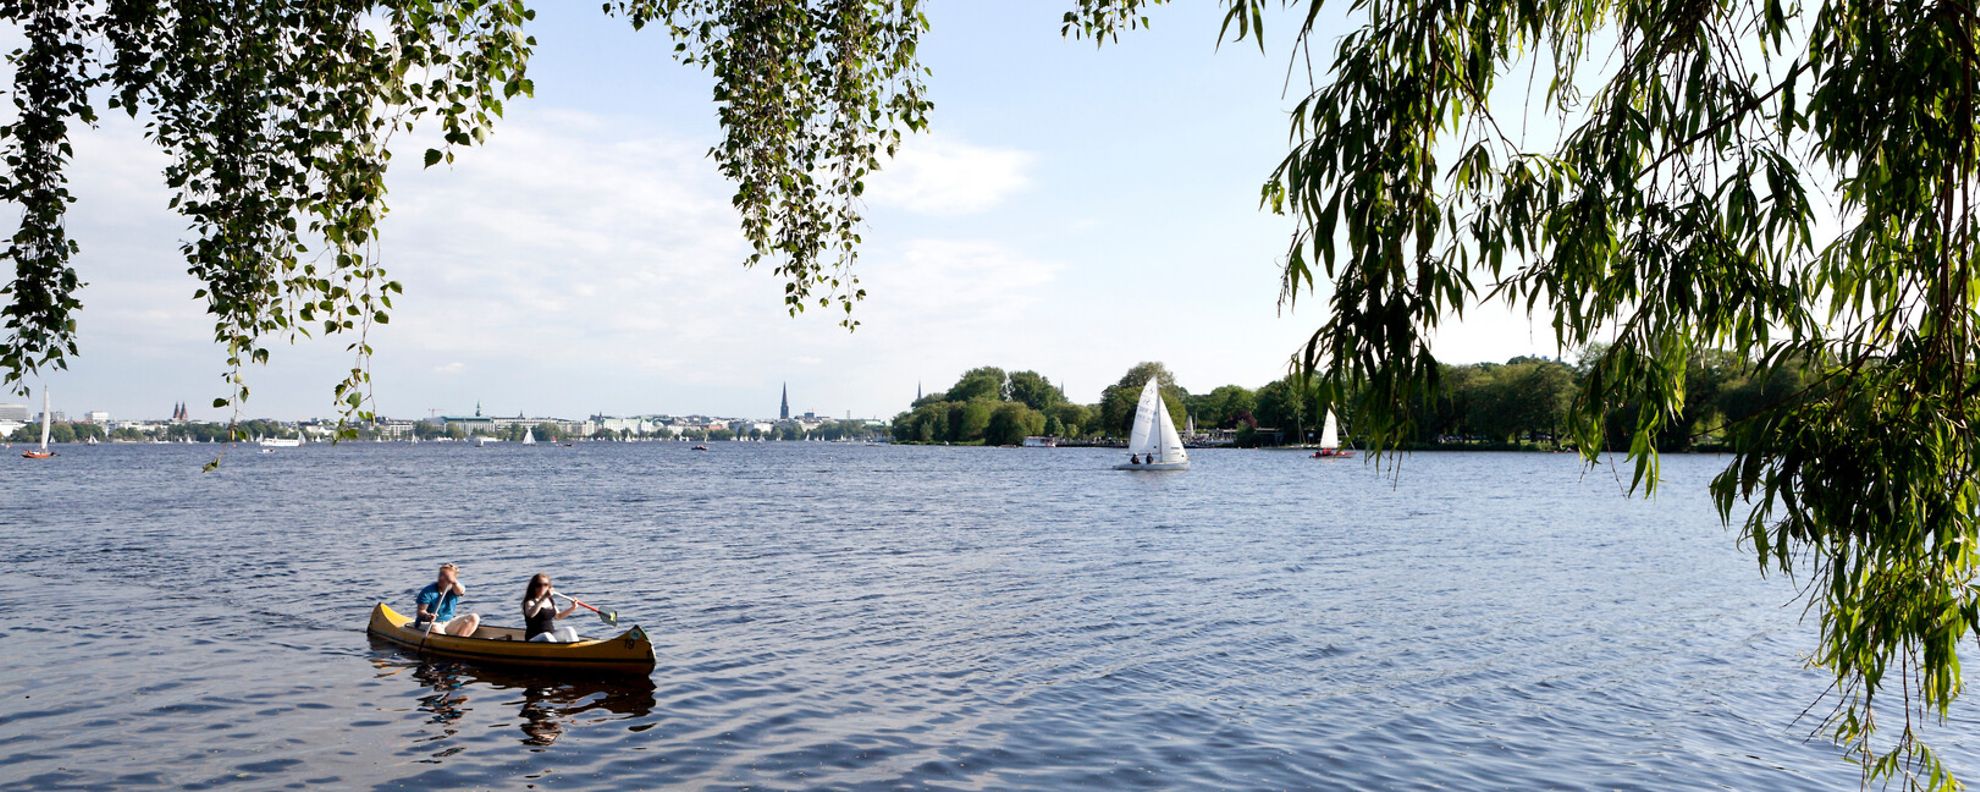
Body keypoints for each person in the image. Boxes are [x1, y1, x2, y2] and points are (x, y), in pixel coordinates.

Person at [414, 562, 481, 636]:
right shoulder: (428, 591)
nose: (441, 578)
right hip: (429, 624)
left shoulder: (455, 588)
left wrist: (454, 582)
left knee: (474, 617)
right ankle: (449, 643)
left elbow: (460, 591)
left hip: (448, 623)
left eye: (445, 576)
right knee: (435, 627)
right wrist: (428, 616)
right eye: (440, 575)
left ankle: (459, 641)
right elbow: (420, 612)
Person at [522, 573, 581, 643]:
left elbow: (558, 616)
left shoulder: (549, 600)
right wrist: (543, 598)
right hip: (534, 638)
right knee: (547, 636)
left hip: (551, 635)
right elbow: (531, 614)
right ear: (533, 587)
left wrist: (573, 608)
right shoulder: (530, 602)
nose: (542, 588)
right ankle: (559, 651)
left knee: (569, 629)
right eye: (538, 585)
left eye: (545, 585)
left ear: (548, 587)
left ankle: (576, 649)